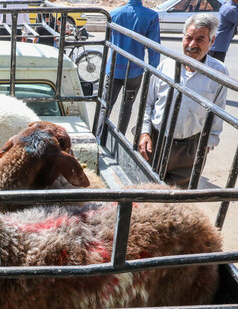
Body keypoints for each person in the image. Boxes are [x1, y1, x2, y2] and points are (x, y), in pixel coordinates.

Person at [139, 14, 228, 188]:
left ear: (212, 40)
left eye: (200, 39)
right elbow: (148, 103)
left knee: (178, 201)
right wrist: (144, 132)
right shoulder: (166, 65)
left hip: (191, 147)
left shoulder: (219, 72)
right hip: (156, 143)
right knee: (147, 194)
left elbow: (218, 111)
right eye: (188, 38)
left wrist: (207, 144)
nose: (192, 45)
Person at [97, 0, 160, 140]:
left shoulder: (113, 14)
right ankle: (119, 140)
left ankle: (99, 139)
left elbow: (110, 41)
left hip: (113, 68)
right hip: (134, 71)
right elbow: (154, 49)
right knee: (126, 108)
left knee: (105, 106)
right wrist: (154, 74)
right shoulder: (151, 16)